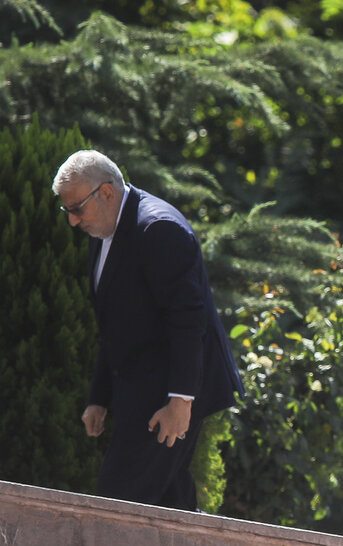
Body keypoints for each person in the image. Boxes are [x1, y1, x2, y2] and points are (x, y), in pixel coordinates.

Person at [52, 150, 243, 511]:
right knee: (170, 507)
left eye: (76, 209)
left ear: (106, 193)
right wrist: (99, 396)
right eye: (68, 211)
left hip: (169, 394)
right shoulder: (105, 226)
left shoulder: (157, 228)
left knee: (118, 504)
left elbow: (188, 319)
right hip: (141, 388)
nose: (73, 221)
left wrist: (180, 401)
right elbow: (116, 323)